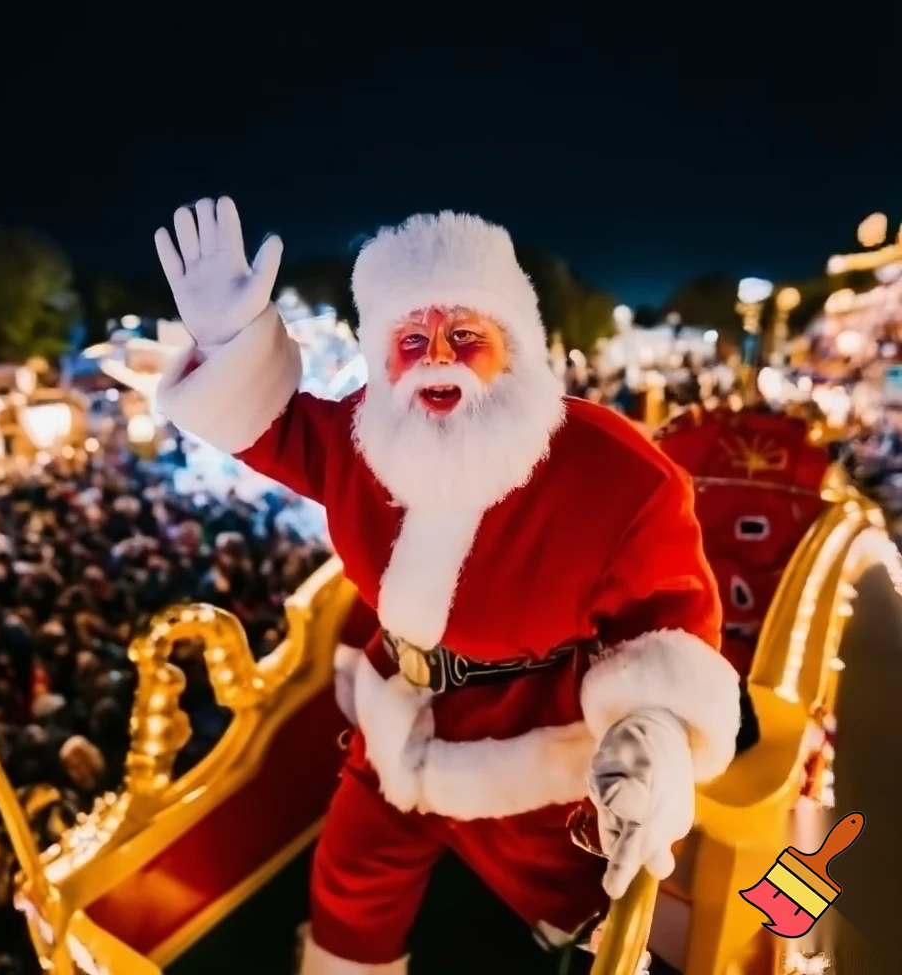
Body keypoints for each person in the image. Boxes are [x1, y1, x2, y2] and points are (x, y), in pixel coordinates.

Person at [155, 198, 741, 973]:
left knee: (572, 903)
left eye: (465, 336)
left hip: (534, 733)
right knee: (348, 882)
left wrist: (654, 735)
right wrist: (230, 342)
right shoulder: (365, 432)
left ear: (516, 347)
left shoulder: (615, 471)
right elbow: (276, 427)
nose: (437, 358)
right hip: (399, 713)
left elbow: (669, 627)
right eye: (411, 339)